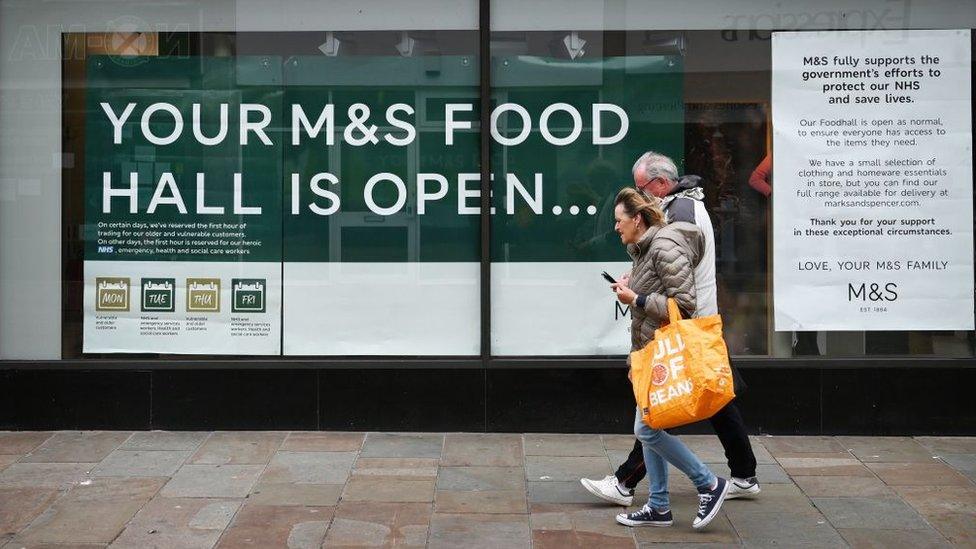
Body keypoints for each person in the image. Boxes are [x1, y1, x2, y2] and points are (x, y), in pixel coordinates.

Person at [582, 151, 760, 508]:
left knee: (656, 412)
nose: (640, 197)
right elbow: (666, 265)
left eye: (642, 188)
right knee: (715, 399)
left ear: (660, 184)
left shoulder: (678, 214)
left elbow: (677, 274)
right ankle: (743, 474)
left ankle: (630, 483)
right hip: (695, 321)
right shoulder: (681, 207)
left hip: (685, 323)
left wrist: (638, 294)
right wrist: (639, 275)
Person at [608, 187, 730, 529]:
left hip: (663, 353)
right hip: (648, 353)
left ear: (637, 219)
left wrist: (637, 298)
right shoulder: (643, 248)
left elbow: (684, 306)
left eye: (619, 221)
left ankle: (707, 482)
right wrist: (633, 288)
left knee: (645, 430)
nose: (616, 227)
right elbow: (655, 292)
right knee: (652, 424)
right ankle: (659, 505)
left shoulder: (664, 246)